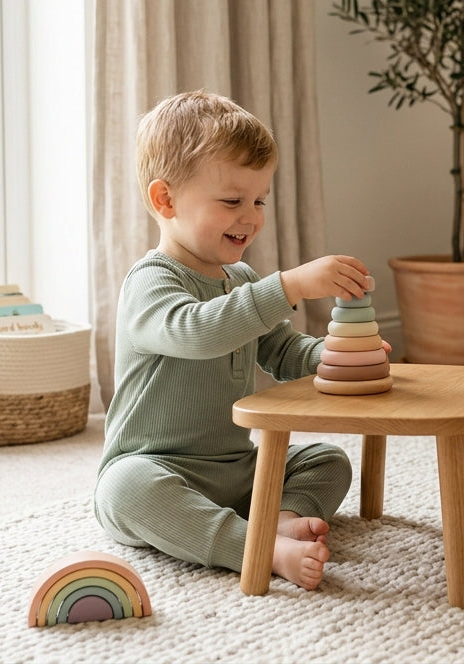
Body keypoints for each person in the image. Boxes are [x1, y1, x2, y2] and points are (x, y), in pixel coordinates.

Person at [95, 90, 373, 590]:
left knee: (327, 460)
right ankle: (255, 547)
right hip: (157, 466)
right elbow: (198, 330)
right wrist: (288, 285)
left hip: (237, 468)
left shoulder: (240, 278)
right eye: (232, 201)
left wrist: (338, 357)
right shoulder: (151, 282)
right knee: (123, 490)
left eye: (259, 200)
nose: (251, 216)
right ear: (165, 200)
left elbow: (283, 351)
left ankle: (282, 519)